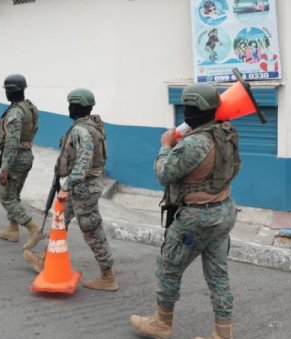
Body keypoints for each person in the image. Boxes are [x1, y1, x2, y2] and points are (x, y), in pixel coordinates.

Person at [130, 84, 240, 339]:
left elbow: (164, 174)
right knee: (218, 275)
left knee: (168, 268)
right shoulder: (227, 133)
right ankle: (223, 334)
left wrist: (166, 145)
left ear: (193, 109)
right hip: (223, 210)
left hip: (196, 217)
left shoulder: (195, 143)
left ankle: (161, 324)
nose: (185, 112)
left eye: (188, 107)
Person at [24, 88, 118, 291]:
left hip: (83, 188)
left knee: (92, 231)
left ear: (76, 106)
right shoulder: (93, 126)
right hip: (82, 186)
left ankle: (108, 276)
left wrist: (67, 186)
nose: (68, 107)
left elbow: (83, 162)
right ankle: (44, 259)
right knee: (60, 223)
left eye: (70, 104)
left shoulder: (81, 131)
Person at [0, 73, 44, 250]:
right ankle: (12, 230)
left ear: (11, 91)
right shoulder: (29, 107)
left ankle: (33, 229)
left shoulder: (14, 111)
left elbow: (12, 142)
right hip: (27, 155)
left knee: (6, 199)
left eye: (6, 90)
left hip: (15, 159)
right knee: (15, 195)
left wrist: (4, 168)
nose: (5, 93)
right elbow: (25, 128)